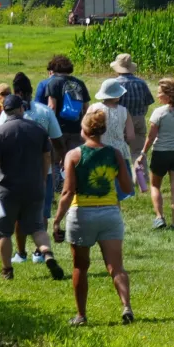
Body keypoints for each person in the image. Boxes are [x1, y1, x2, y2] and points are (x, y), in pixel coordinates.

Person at [53, 106, 135, 326]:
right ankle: (126, 306)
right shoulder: (115, 154)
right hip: (110, 213)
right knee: (116, 266)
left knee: (80, 266)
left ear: (84, 131)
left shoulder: (74, 155)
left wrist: (57, 220)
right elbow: (127, 188)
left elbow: (68, 192)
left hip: (82, 215)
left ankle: (81, 315)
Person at [0, 93, 63, 281]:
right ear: (21, 109)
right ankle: (47, 253)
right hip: (34, 187)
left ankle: (7, 270)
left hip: (6, 189)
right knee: (37, 227)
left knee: (4, 232)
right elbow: (46, 157)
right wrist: (43, 180)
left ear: (4, 110)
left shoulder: (1, 132)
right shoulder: (38, 129)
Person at [12, 72, 65, 261]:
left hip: (17, 172)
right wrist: (61, 158)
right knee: (41, 213)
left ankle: (21, 252)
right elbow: (58, 140)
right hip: (45, 171)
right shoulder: (45, 111)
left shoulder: (9, 113)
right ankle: (39, 252)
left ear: (15, 92)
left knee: (19, 214)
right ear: (31, 91)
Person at [141, 78, 174, 231]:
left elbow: (151, 137)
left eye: (159, 93)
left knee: (155, 185)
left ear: (168, 95)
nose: (157, 96)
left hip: (161, 153)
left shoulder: (159, 112)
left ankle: (159, 217)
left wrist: (143, 152)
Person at [37, 55, 90, 153]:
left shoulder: (53, 83)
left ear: (53, 69)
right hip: (76, 129)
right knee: (75, 162)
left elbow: (51, 107)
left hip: (58, 129)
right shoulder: (80, 83)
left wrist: (48, 130)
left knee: (57, 162)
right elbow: (86, 108)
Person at [110, 54, 154, 163]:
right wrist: (141, 114)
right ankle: (141, 178)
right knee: (138, 153)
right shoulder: (141, 83)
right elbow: (147, 102)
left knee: (118, 153)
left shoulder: (115, 83)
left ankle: (121, 178)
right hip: (139, 118)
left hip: (120, 120)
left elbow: (109, 104)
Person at [94, 78, 132, 161]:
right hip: (118, 153)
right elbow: (130, 136)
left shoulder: (93, 108)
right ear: (117, 95)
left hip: (98, 150)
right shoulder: (124, 111)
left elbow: (86, 129)